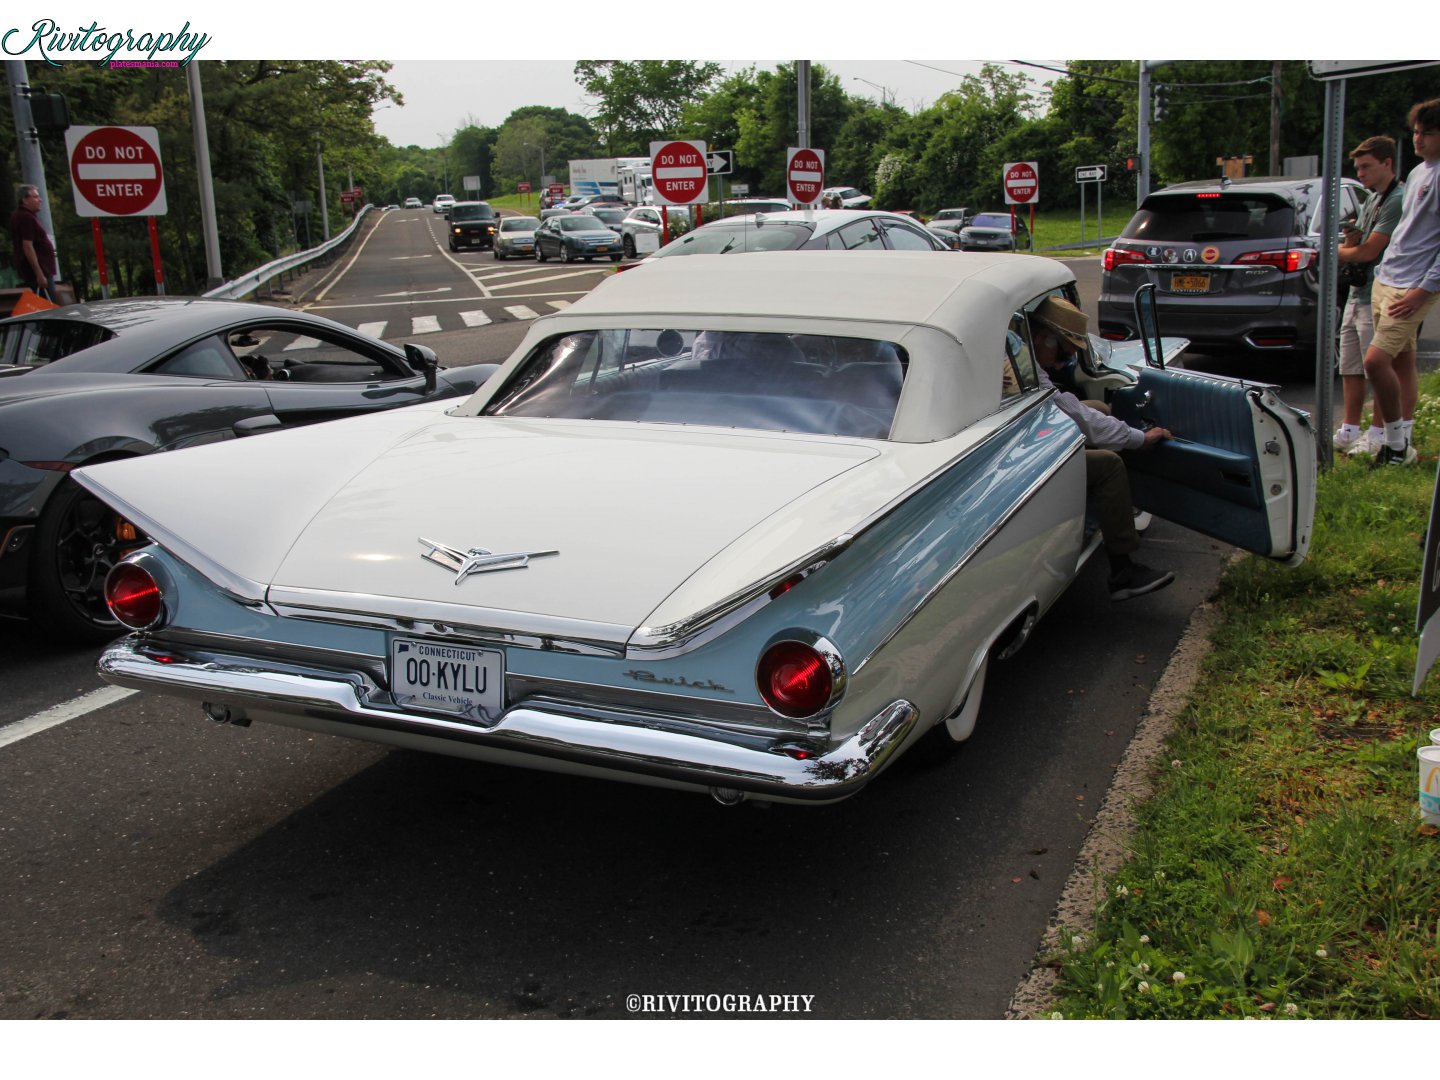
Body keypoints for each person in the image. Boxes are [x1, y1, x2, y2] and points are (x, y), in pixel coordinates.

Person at [1031, 296, 1176, 601]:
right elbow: (1072, 414)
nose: (1063, 363)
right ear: (1044, 339)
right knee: (1108, 464)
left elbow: (1077, 411)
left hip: (1030, 432)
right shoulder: (1026, 369)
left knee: (1097, 406)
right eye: (1063, 353)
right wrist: (1140, 438)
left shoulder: (1019, 357)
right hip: (1025, 451)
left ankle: (1101, 515)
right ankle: (1122, 570)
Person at [1364, 98, 1440, 466]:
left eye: (1427, 132)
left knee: (1375, 361)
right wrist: (1382, 271)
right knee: (1402, 361)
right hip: (1388, 276)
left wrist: (1422, 292)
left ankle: (1395, 446)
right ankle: (1404, 437)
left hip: (1413, 286)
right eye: (1415, 131)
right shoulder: (1420, 173)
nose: (1418, 139)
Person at [1335, 136, 1405, 456]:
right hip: (1355, 293)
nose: (1360, 174)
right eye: (1357, 168)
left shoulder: (1396, 199)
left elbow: (1370, 251)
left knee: (1375, 366)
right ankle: (1350, 428)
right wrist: (1351, 238)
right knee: (1350, 365)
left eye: (1366, 167)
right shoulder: (1372, 199)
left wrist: (1336, 252)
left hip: (1378, 293)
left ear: (1387, 163)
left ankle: (1378, 432)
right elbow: (1359, 244)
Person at [9, 184, 56, 301]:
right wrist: (39, 273)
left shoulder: (23, 215)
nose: (40, 200)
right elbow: (27, 246)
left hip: (37, 270)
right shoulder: (25, 217)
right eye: (35, 197)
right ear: (25, 200)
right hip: (38, 272)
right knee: (49, 308)